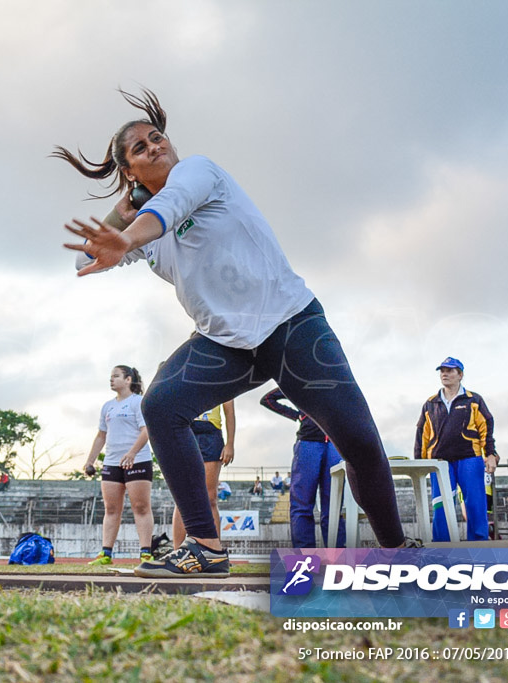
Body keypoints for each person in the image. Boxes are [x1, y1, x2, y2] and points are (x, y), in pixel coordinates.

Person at [57, 88, 410, 577]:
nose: (155, 146)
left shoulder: (197, 171)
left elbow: (169, 209)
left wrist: (130, 232)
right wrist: (124, 210)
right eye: (140, 148)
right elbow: (83, 259)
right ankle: (205, 545)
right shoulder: (139, 222)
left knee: (360, 442)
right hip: (227, 344)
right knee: (160, 405)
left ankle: (396, 550)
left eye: (156, 137)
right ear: (130, 172)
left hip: (290, 324)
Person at [414, 357, 499, 542]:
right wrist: (418, 462)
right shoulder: (430, 403)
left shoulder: (473, 399)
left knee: (476, 505)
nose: (445, 374)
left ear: (460, 375)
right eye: (442, 370)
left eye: (450, 370)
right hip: (439, 462)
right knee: (441, 507)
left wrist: (490, 454)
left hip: (470, 458)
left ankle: (479, 546)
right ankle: (442, 548)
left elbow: (486, 426)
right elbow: (422, 434)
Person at [82, 365, 154, 565]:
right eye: (110, 376)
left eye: (116, 376)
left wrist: (132, 453)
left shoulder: (138, 402)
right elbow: (101, 435)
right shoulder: (107, 406)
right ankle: (106, 554)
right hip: (112, 462)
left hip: (137, 460)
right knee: (111, 508)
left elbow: (146, 431)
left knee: (140, 507)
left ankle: (146, 553)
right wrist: (90, 460)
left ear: (128, 379)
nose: (111, 379)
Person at [262, 388, 345, 548]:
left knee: (334, 506)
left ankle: (338, 558)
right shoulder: (302, 379)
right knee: (302, 504)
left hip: (335, 443)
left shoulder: (339, 379)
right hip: (309, 442)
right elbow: (268, 399)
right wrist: (298, 415)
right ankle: (304, 559)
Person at [171, 401, 235, 547]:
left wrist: (230, 443)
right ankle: (177, 551)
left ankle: (215, 553)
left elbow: (229, 411)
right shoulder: (181, 377)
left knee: (210, 498)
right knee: (182, 497)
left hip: (210, 432)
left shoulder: (223, 379)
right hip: (185, 429)